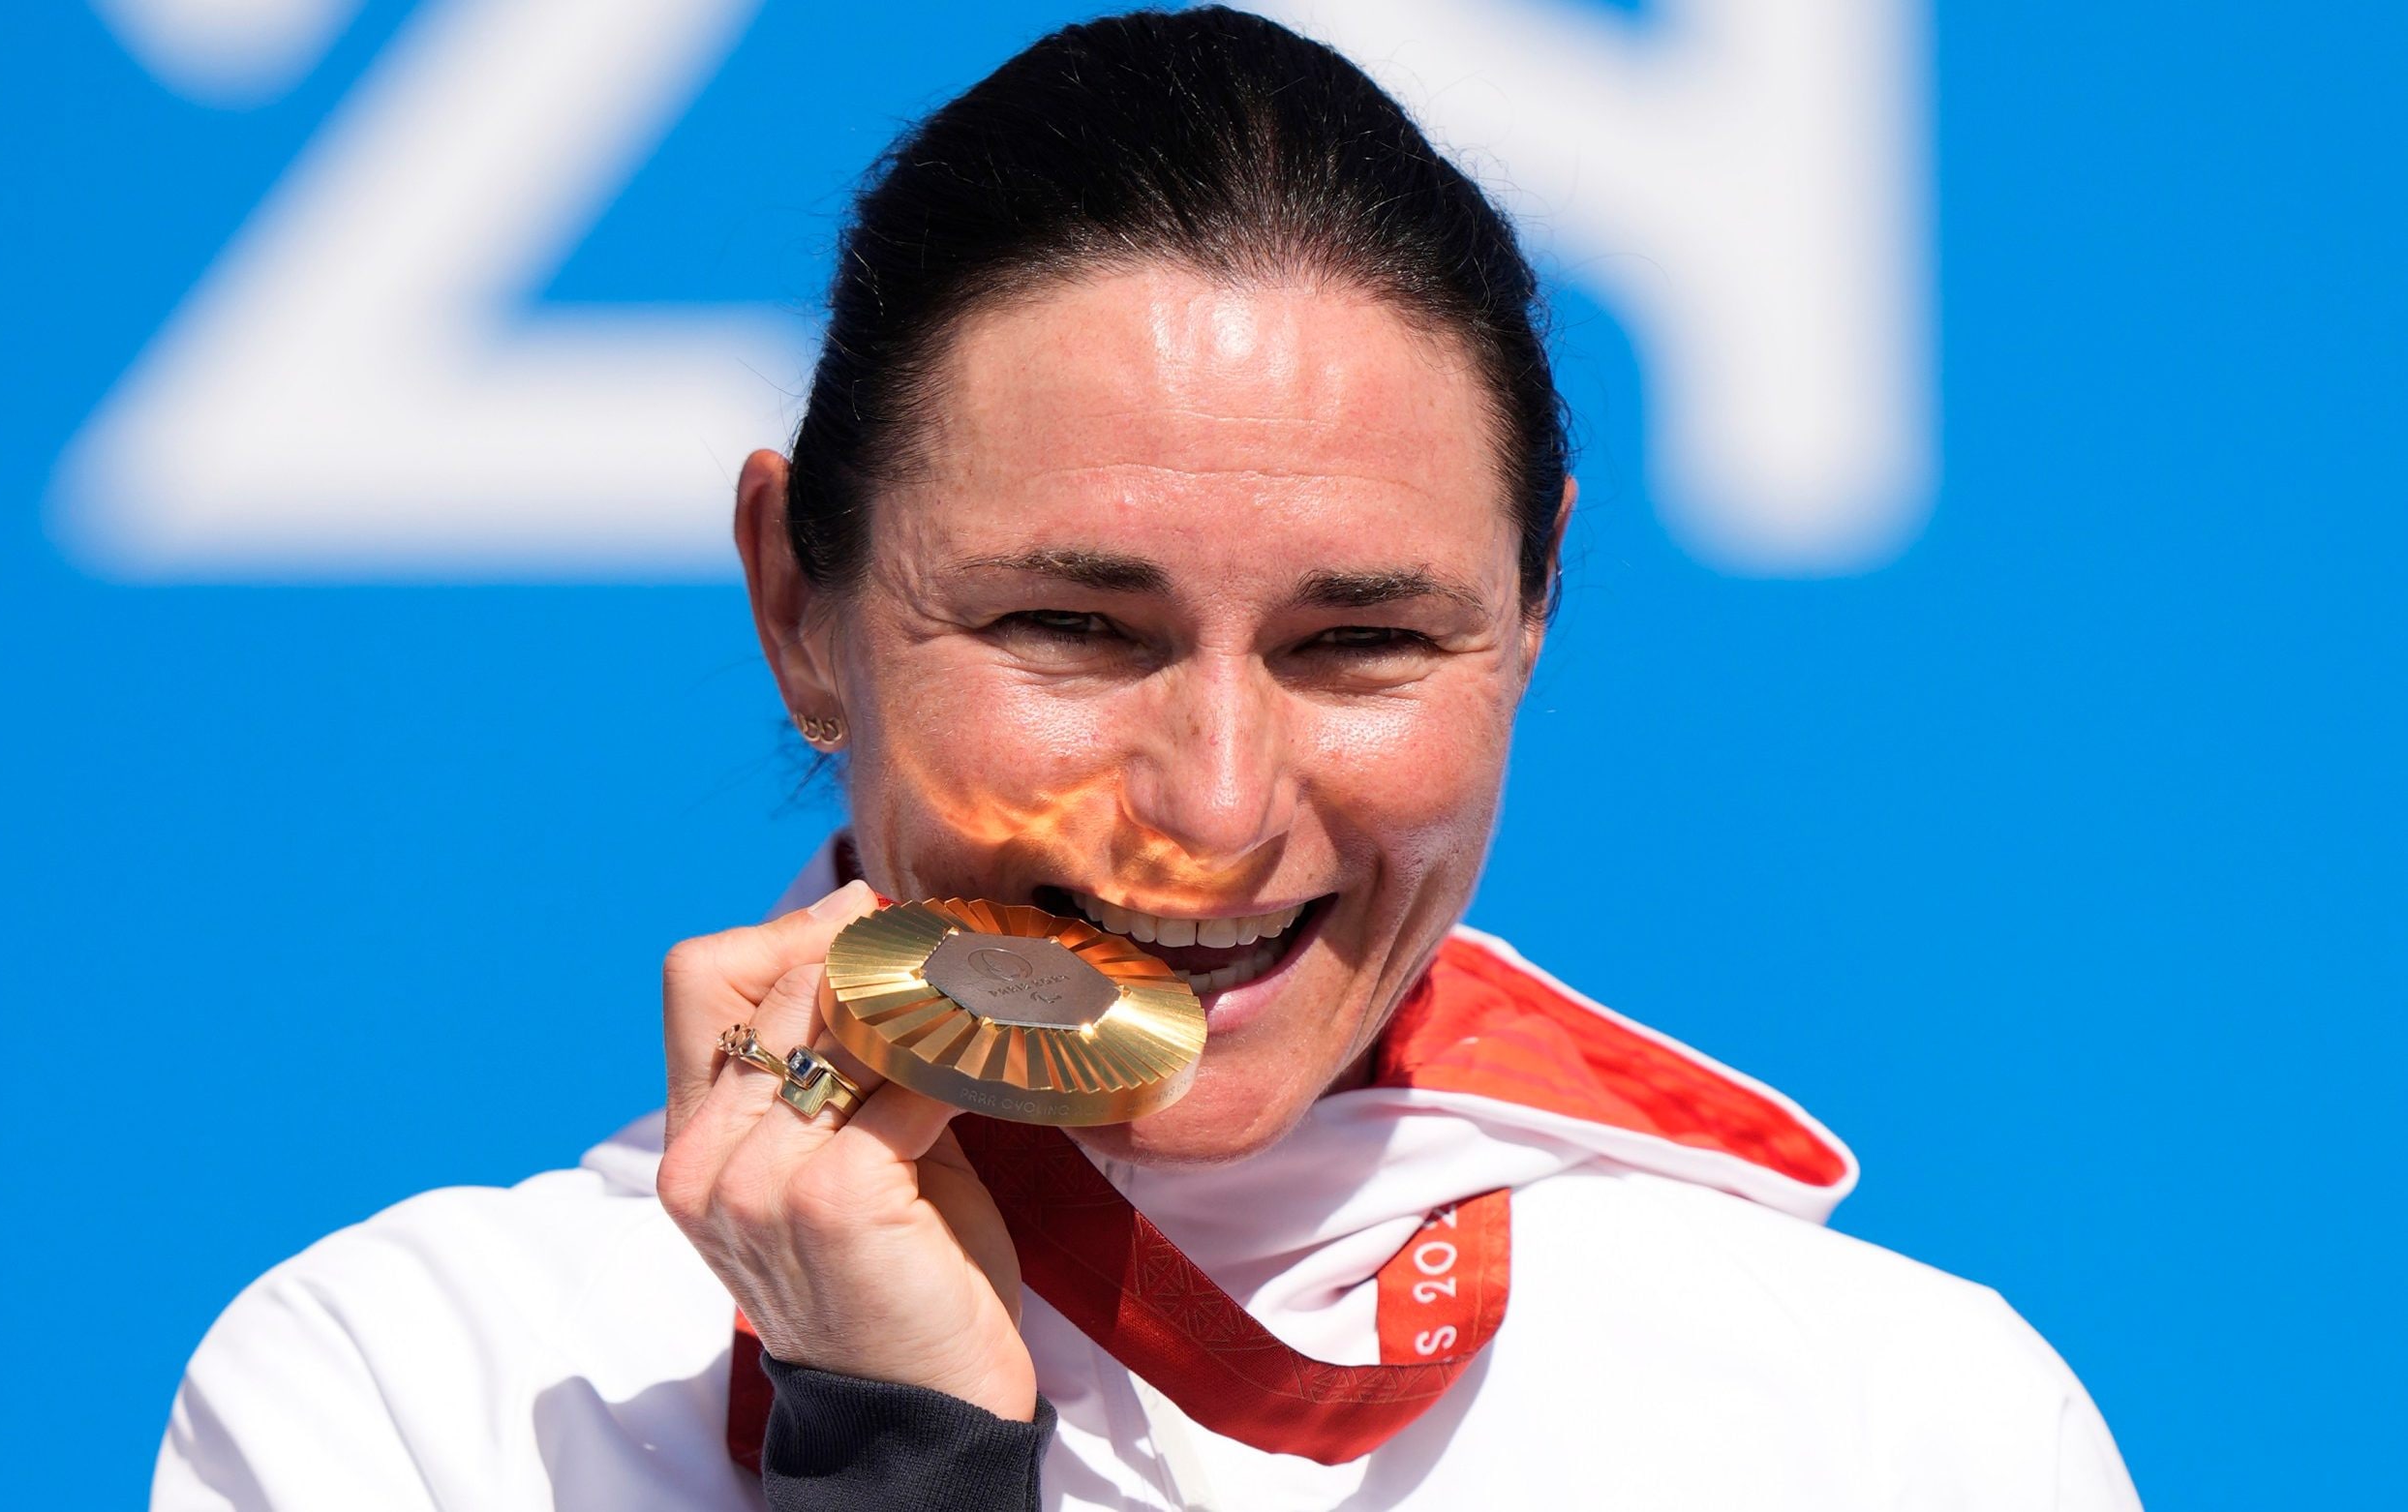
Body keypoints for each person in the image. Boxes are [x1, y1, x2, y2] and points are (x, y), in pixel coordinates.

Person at [151, 9, 2142, 1509]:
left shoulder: (1891, 1424)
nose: (1207, 805)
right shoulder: (424, 1398)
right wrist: (897, 1445)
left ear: (1528, 613)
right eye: (1069, 630)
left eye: (1358, 640)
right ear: (794, 606)